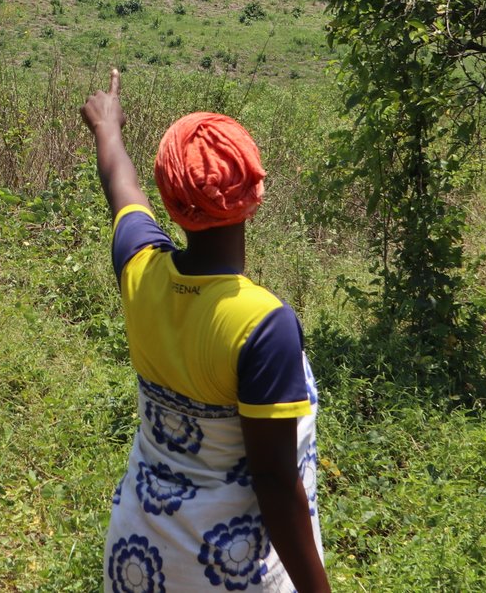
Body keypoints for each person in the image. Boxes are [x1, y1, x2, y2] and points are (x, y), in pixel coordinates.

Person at [82, 69, 329, 593]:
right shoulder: (263, 325)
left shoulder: (140, 268)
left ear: (169, 201)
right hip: (228, 573)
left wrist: (108, 124)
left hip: (139, 555)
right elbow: (276, 486)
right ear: (255, 193)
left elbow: (119, 184)